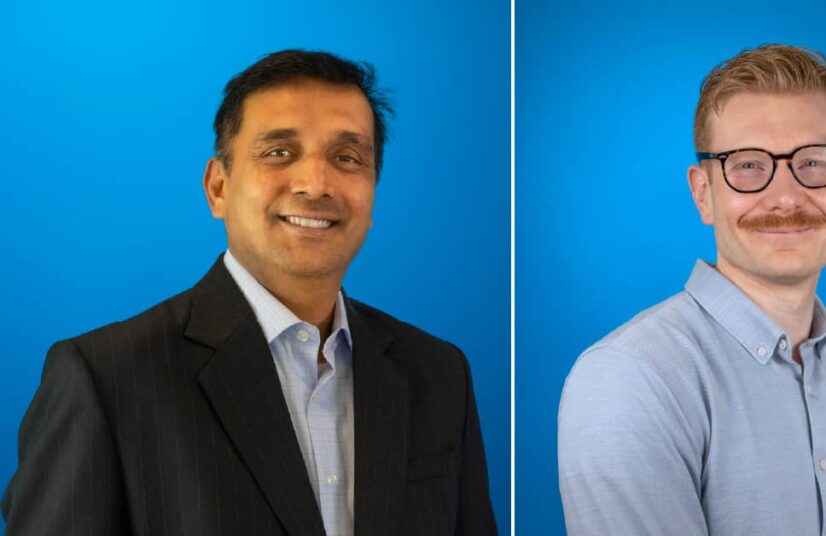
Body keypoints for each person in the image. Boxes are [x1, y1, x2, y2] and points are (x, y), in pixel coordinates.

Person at [2, 49, 497, 536]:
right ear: (218, 187)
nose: (316, 183)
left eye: (348, 157)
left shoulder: (438, 374)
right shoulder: (105, 379)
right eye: (279, 152)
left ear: (372, 191)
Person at [558, 44, 826, 535]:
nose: (785, 196)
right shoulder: (632, 380)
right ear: (703, 193)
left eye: (814, 162)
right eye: (749, 165)